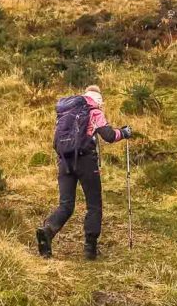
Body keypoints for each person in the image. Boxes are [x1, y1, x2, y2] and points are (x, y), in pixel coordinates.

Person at [36, 85, 132, 260]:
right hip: (86, 161)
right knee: (94, 204)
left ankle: (48, 230)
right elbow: (109, 136)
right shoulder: (94, 111)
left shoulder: (66, 111)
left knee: (66, 204)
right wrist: (124, 133)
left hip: (64, 161)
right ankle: (90, 248)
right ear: (98, 100)